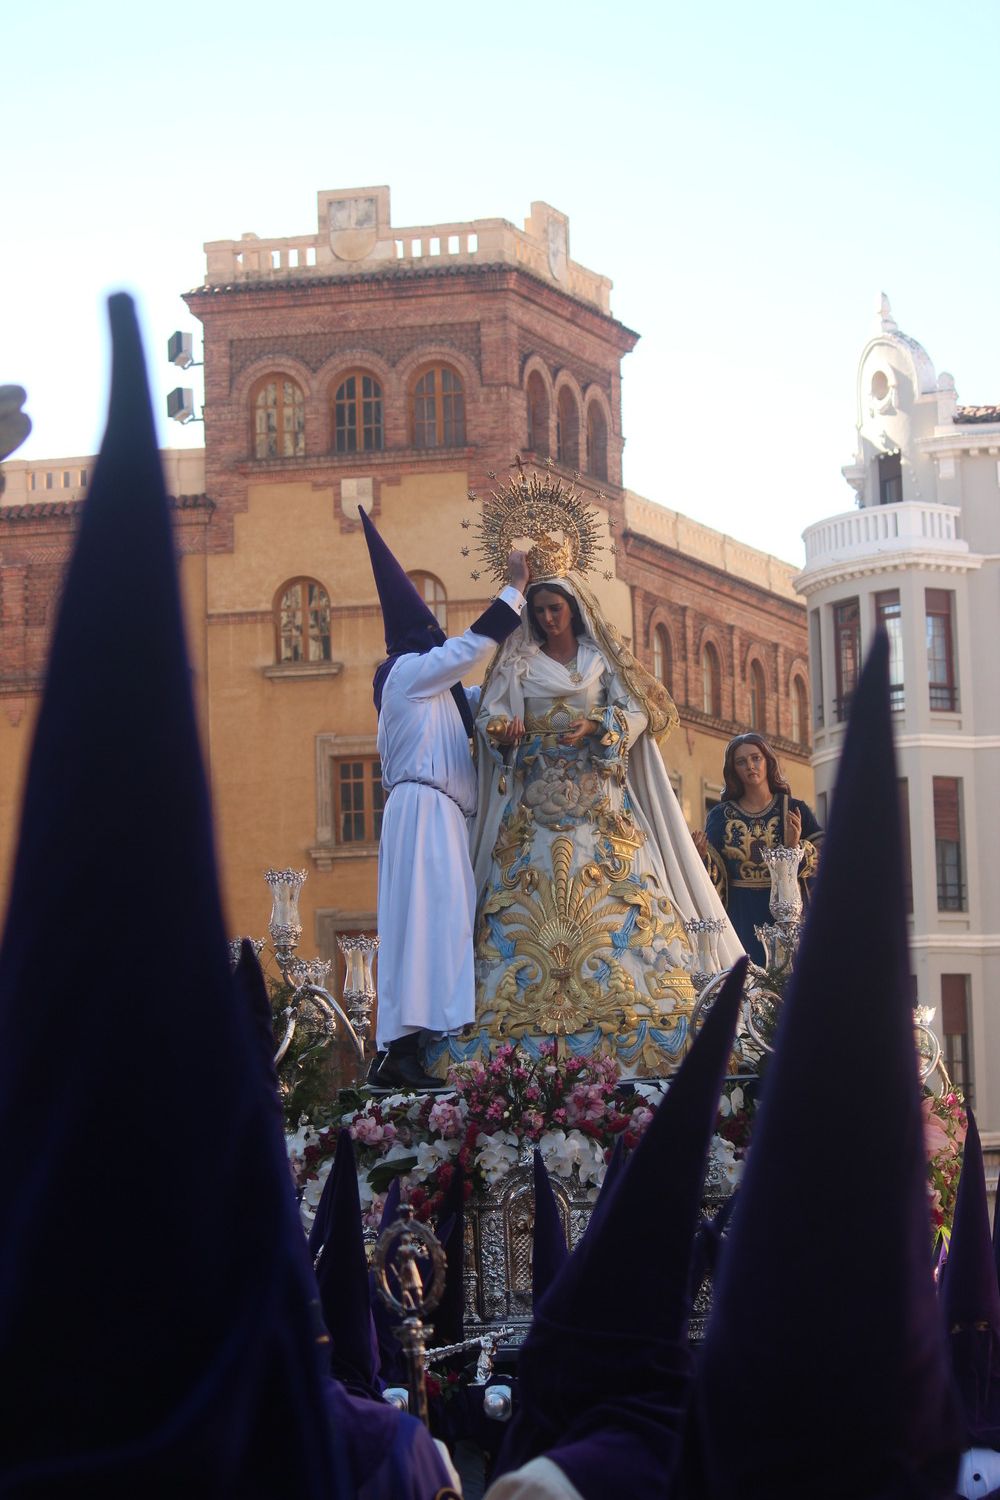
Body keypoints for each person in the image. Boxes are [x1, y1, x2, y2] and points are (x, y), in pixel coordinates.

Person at [471, 570, 742, 1073]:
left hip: (599, 808)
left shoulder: (599, 660)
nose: (548, 619)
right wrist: (502, 732)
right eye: (540, 611)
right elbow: (490, 717)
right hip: (533, 810)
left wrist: (599, 723)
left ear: (574, 608)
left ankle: (642, 1012)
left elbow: (637, 710)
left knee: (621, 900)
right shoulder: (518, 662)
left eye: (556, 608)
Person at [360, 508, 528, 1091]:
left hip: (442, 817)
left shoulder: (441, 698)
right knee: (426, 922)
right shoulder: (407, 671)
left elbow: (484, 693)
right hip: (424, 811)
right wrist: (514, 587)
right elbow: (467, 653)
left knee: (439, 922)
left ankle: (415, 1042)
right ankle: (406, 1045)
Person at [692, 731, 822, 967]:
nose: (750, 766)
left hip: (787, 914)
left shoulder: (792, 809)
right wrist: (701, 857)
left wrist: (794, 847)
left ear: (768, 761)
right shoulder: (720, 816)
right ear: (734, 770)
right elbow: (716, 874)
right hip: (742, 914)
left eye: (756, 758)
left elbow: (823, 857)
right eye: (741, 762)